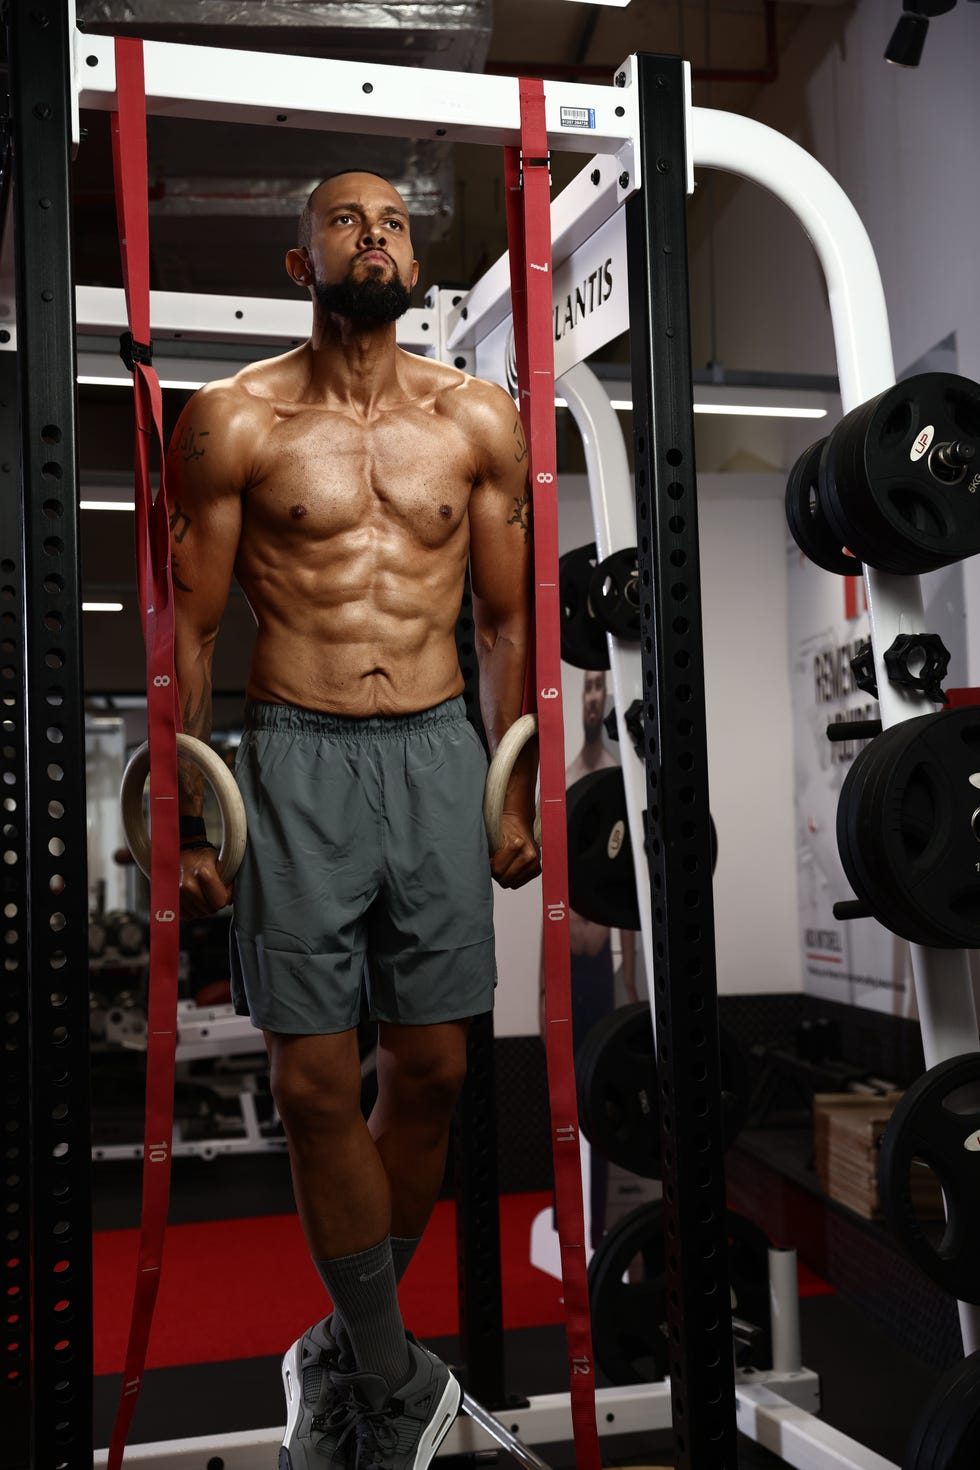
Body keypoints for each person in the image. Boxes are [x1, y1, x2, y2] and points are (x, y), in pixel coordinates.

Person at [168, 170, 540, 1470]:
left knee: (434, 1069)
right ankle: (387, 1378)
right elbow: (192, 628)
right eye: (345, 218)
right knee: (315, 1076)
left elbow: (503, 619)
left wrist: (512, 784)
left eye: (394, 218)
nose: (375, 232)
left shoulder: (475, 418)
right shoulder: (232, 420)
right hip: (296, 757)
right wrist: (191, 819)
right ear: (297, 261)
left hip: (441, 754)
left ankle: (346, 1344)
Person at [540, 668, 636, 1245]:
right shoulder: (567, 780)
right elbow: (550, 898)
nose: (594, 697)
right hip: (564, 970)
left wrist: (629, 979)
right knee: (562, 1098)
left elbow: (629, 895)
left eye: (602, 688)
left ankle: (599, 1220)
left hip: (603, 970)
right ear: (579, 700)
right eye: (588, 688)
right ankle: (565, 1216)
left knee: (600, 1091)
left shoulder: (619, 784)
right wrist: (541, 988)